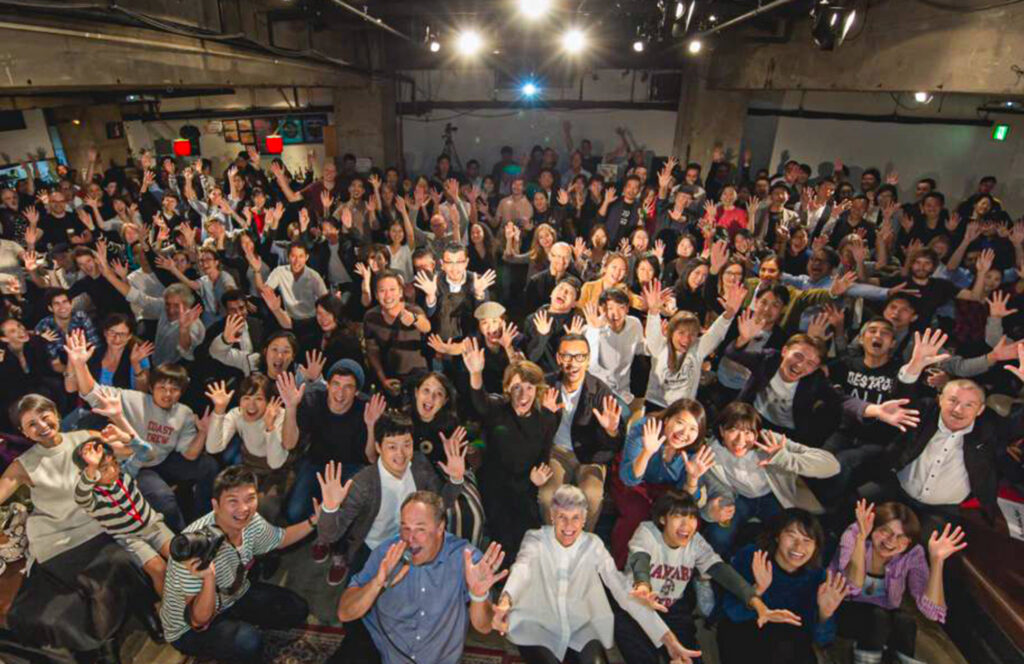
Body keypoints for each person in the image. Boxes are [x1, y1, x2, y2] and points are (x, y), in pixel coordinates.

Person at [2, 395, 158, 660]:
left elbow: (137, 451)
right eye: (31, 424)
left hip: (96, 526)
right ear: (24, 432)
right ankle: (109, 641)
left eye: (44, 417)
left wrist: (120, 423)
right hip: (54, 539)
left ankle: (142, 615)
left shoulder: (86, 438)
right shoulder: (23, 465)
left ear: (56, 414)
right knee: (96, 578)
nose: (41, 426)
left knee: (119, 561)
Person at [493, 485, 703, 664]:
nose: (569, 525)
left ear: (584, 519)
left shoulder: (593, 544)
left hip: (580, 627)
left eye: (576, 518)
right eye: (562, 517)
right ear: (552, 517)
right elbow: (521, 569)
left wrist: (669, 641)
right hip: (537, 624)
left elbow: (622, 589)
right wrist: (506, 599)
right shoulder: (535, 539)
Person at [618, 490, 801, 664]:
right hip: (637, 605)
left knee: (690, 659)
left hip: (672, 608)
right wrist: (643, 586)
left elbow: (721, 570)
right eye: (678, 516)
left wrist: (759, 606)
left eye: (691, 517)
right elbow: (640, 559)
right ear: (662, 518)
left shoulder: (695, 541)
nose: (686, 525)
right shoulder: (647, 532)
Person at [65, 329, 218, 531]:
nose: (167, 394)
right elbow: (92, 393)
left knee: (209, 465)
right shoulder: (134, 399)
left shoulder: (184, 413)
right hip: (138, 464)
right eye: (162, 388)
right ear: (152, 387)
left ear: (181, 392)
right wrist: (79, 364)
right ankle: (183, 538)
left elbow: (190, 455)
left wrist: (203, 432)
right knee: (165, 500)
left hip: (164, 459)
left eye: (174, 389)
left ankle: (204, 520)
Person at [161, 465, 315, 662]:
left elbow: (280, 538)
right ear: (215, 505)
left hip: (233, 595)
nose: (243, 509)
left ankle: (236, 625)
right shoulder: (192, 547)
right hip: (188, 628)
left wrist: (315, 520)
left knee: (296, 609)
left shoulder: (250, 520)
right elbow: (198, 620)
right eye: (233, 501)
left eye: (250, 499)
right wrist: (208, 577)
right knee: (248, 641)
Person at [334, 491, 508, 664]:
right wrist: (377, 583)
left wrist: (478, 596)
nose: (410, 538)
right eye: (405, 527)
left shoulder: (466, 559)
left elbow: (484, 626)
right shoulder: (387, 553)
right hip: (382, 654)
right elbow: (345, 613)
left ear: (440, 528)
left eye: (420, 529)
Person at [314, 409, 468, 584]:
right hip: (372, 547)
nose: (401, 454)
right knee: (358, 592)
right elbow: (330, 535)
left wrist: (456, 479)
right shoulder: (362, 484)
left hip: (409, 545)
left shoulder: (420, 464)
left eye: (407, 445)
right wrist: (330, 508)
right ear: (378, 447)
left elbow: (440, 504)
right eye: (392, 447)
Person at [830, 500, 967, 664]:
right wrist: (861, 538)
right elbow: (851, 586)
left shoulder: (913, 553)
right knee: (878, 616)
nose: (892, 541)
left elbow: (931, 611)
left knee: (906, 622)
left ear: (909, 542)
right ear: (873, 527)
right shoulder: (854, 534)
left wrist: (937, 561)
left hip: (882, 622)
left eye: (902, 537)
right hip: (843, 610)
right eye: (885, 531)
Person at [463, 340, 560, 562]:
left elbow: (543, 457)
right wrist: (475, 373)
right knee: (505, 541)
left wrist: (537, 478)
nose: (523, 395)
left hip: (525, 486)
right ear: (507, 388)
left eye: (529, 387)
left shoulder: (546, 418)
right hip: (496, 487)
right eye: (516, 387)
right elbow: (480, 401)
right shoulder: (498, 409)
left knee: (530, 539)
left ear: (536, 390)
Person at [702, 402, 840, 555]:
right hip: (740, 498)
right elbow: (711, 495)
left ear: (757, 433)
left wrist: (783, 458)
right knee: (718, 536)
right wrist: (714, 511)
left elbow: (833, 466)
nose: (740, 440)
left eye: (748, 432)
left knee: (799, 537)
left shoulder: (770, 440)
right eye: (733, 430)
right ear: (722, 431)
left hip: (775, 496)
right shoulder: (711, 452)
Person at [718, 509, 848, 664]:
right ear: (777, 536)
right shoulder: (753, 557)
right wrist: (757, 590)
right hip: (746, 634)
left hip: (789, 646)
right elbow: (730, 613)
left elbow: (823, 639)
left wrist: (824, 615)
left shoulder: (817, 576)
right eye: (792, 536)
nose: (799, 547)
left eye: (807, 540)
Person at [612, 398, 715, 567]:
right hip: (634, 477)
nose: (684, 433)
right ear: (667, 419)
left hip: (664, 488)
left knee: (685, 518)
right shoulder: (645, 428)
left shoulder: (695, 450)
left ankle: (668, 569)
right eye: (680, 423)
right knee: (636, 512)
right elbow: (628, 478)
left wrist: (693, 478)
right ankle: (622, 567)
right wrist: (647, 452)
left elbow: (687, 499)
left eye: (693, 429)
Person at [538, 333, 624, 530]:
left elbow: (615, 443)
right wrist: (545, 415)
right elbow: (535, 430)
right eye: (567, 356)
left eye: (579, 357)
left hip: (591, 456)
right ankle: (555, 538)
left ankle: (582, 538)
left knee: (591, 495)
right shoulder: (547, 385)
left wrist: (611, 431)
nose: (573, 363)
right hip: (557, 452)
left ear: (587, 359)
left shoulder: (600, 390)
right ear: (558, 358)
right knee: (547, 496)